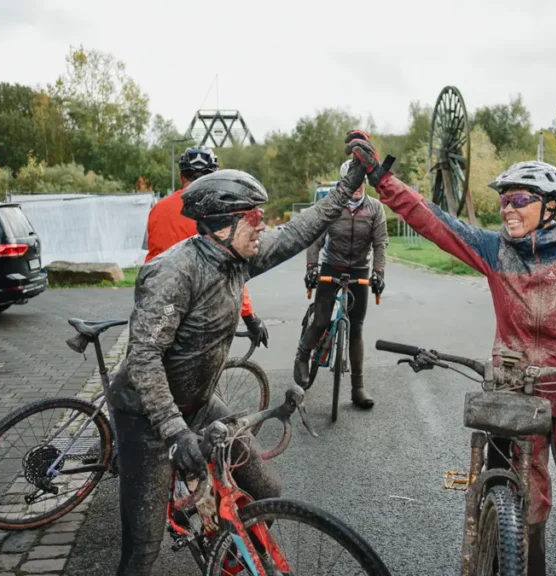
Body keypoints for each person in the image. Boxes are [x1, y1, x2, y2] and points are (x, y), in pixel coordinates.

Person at [345, 134, 556, 576]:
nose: (507, 207)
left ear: (551, 205)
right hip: (513, 394)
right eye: (504, 199)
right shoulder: (493, 250)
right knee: (526, 503)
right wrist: (383, 180)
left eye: (519, 198)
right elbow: (433, 220)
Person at [106, 158, 367, 575]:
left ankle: (233, 544)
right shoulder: (174, 272)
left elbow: (300, 230)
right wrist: (173, 431)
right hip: (147, 416)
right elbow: (144, 357)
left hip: (201, 401)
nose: (262, 225)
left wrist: (347, 185)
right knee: (143, 546)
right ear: (221, 224)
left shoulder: (236, 258)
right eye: (254, 217)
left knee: (267, 487)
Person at [143, 146, 268, 348]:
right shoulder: (213, 213)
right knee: (202, 370)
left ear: (182, 176)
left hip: (156, 302)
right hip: (198, 309)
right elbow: (229, 269)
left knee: (149, 360)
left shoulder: (158, 209)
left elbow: (154, 256)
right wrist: (249, 317)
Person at [294, 159, 389, 408]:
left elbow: (380, 244)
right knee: (322, 319)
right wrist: (312, 268)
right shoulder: (331, 206)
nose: (357, 186)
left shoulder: (375, 209)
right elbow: (315, 239)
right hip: (331, 267)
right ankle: (302, 357)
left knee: (356, 328)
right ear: (344, 182)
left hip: (359, 269)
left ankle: (358, 388)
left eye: (361, 182)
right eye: (352, 181)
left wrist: (378, 273)